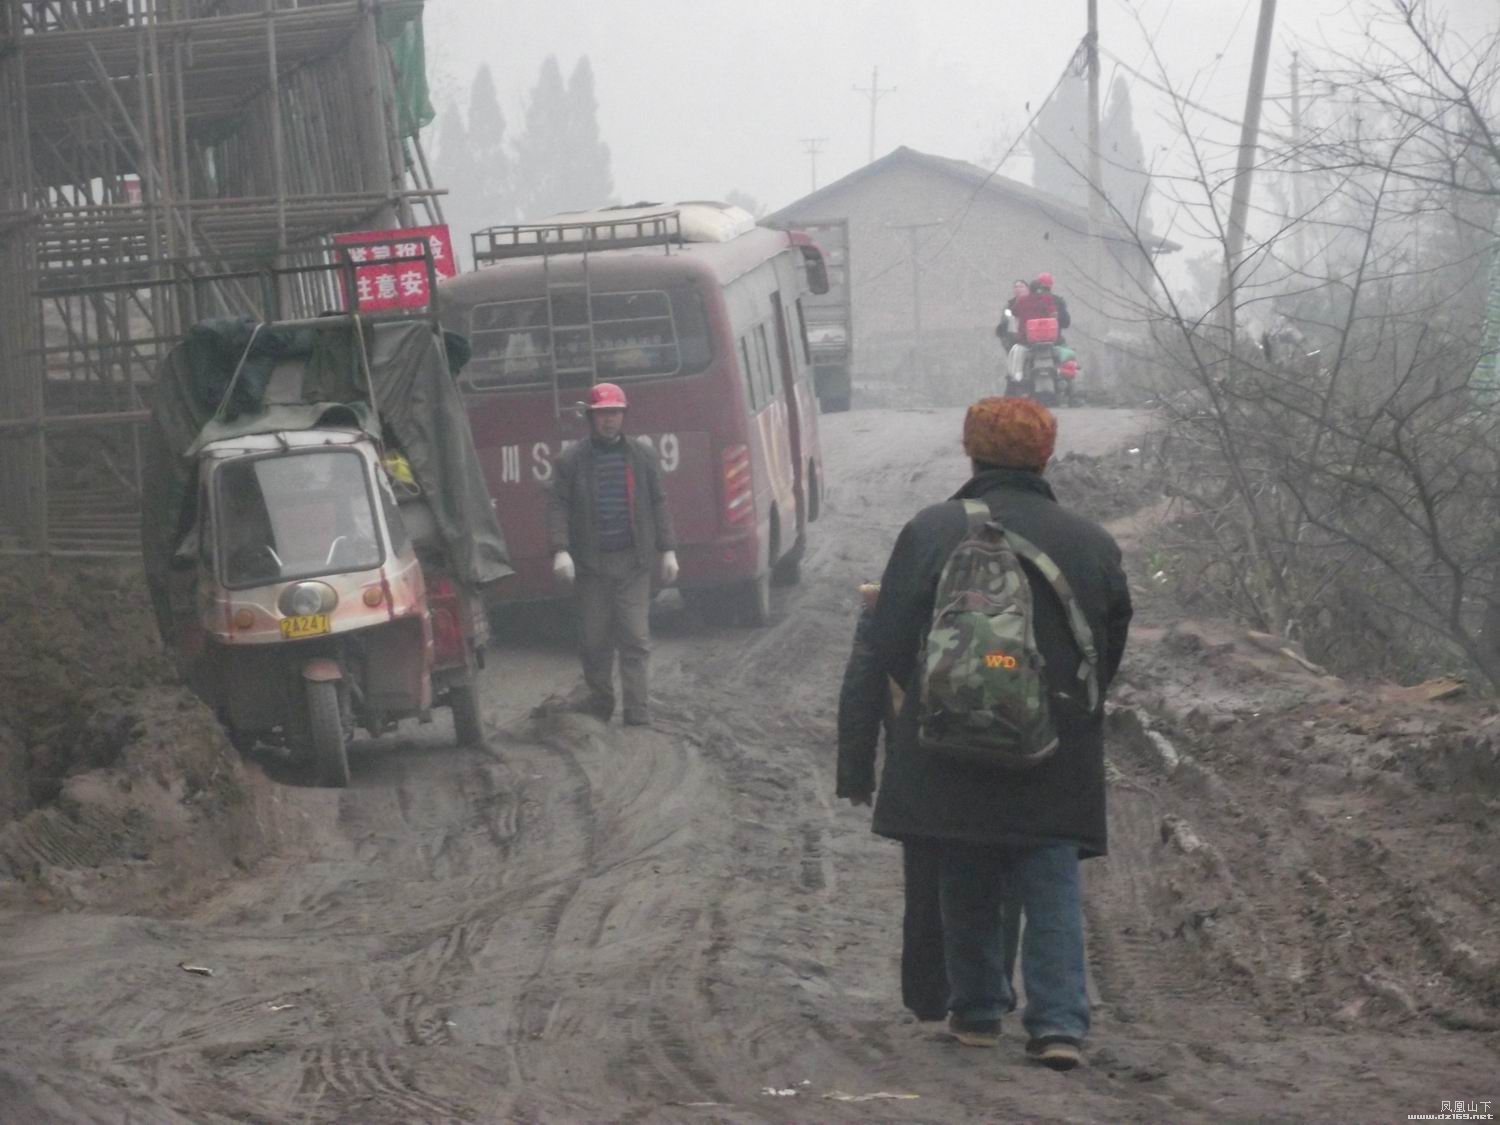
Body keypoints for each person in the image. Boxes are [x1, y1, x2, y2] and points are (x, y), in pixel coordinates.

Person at [867, 396, 1132, 1069]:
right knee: (1048, 871)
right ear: (1046, 454)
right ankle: (1059, 1023)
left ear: (971, 450)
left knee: (964, 860)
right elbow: (1108, 645)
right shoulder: (1090, 540)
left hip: (951, 735)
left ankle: (979, 1009)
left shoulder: (930, 530)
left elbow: (892, 640)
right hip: (1053, 741)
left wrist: (946, 696)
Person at [837, 583, 1024, 1024]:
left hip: (922, 746)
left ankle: (930, 993)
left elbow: (865, 676)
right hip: (1006, 738)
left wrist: (857, 771)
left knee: (927, 868)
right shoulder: (1016, 573)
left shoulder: (908, 569)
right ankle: (993, 986)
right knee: (1002, 862)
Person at [547, 382, 678, 726]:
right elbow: (558, 506)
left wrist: (668, 550)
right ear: (591, 418)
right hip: (592, 566)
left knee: (635, 638)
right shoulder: (571, 461)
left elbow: (659, 501)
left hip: (633, 563)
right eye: (603, 414)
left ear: (624, 415)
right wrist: (560, 550)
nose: (610, 421)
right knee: (594, 640)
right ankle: (601, 704)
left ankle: (637, 712)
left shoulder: (642, 456)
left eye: (616, 413)